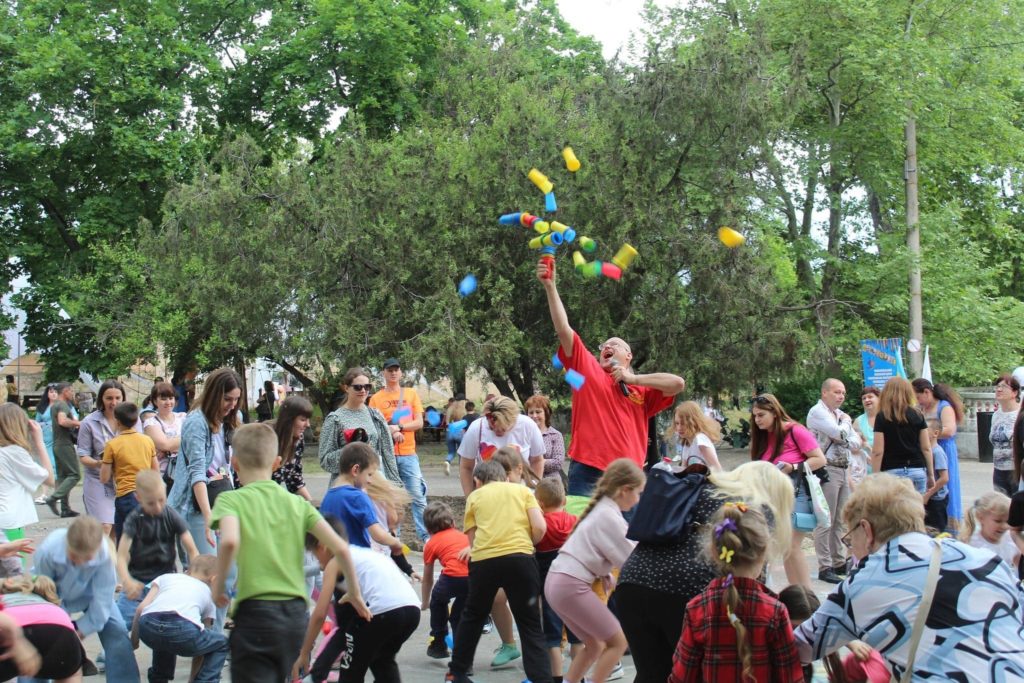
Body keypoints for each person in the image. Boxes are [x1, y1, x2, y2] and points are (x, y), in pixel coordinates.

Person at [794, 473, 1024, 679]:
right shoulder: (986, 560)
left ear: (866, 530)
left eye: (850, 537)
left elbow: (797, 649)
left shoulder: (864, 582)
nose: (851, 548)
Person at [210, 423, 369, 682]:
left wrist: (219, 589)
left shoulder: (231, 500)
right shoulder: (297, 503)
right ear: (276, 463)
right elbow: (340, 547)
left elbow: (228, 542)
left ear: (234, 463)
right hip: (295, 614)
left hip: (255, 612)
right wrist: (354, 592)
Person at [616, 461, 794, 683]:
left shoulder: (700, 488)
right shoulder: (754, 509)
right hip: (686, 592)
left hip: (632, 581)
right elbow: (750, 577)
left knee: (651, 674)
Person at [537, 257, 685, 495]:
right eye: (604, 345)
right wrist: (550, 287)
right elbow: (563, 329)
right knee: (585, 530)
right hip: (588, 471)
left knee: (626, 533)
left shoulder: (642, 389)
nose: (606, 346)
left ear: (629, 355)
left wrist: (633, 379)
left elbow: (678, 383)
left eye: (614, 344)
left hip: (628, 475)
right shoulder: (588, 369)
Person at [668, 503, 804, 683]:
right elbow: (791, 677)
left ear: (715, 552)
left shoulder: (697, 608)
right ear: (764, 552)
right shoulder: (775, 611)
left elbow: (681, 677)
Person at [446, 460, 550, 683]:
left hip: (485, 562)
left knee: (473, 616)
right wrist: (526, 544)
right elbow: (540, 527)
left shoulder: (475, 496)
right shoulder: (523, 491)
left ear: (477, 481)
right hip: (521, 559)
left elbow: (472, 539)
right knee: (529, 622)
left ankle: (457, 673)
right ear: (505, 477)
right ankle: (541, 678)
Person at [545, 460, 643, 683]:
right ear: (624, 490)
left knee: (595, 645)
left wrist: (604, 573)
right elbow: (632, 560)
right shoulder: (609, 516)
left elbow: (589, 548)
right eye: (638, 493)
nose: (638, 500)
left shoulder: (603, 509)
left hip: (557, 582)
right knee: (618, 642)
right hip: (569, 584)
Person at [293, 516, 417, 683]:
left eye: (315, 555)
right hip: (411, 610)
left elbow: (320, 614)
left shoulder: (335, 561)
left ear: (322, 547)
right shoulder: (366, 555)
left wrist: (303, 653)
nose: (318, 562)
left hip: (383, 612)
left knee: (351, 671)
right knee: (382, 661)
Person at [33, 516, 141, 682]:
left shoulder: (104, 553)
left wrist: (81, 629)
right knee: (40, 639)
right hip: (53, 595)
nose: (81, 562)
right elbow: (44, 593)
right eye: (74, 556)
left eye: (87, 558)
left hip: (91, 594)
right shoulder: (48, 550)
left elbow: (102, 602)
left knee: (117, 630)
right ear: (67, 543)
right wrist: (59, 627)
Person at [749, 393, 826, 587]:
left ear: (774, 412)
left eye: (761, 415)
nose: (757, 420)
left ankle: (806, 596)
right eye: (755, 416)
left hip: (796, 493)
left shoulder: (795, 431)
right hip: (772, 496)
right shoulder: (764, 437)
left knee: (791, 545)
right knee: (785, 548)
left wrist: (792, 466)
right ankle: (797, 594)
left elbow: (819, 459)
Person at [167, 368, 241, 563]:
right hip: (195, 508)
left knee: (230, 572)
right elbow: (197, 473)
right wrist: (209, 518)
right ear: (213, 394)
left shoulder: (232, 419)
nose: (232, 405)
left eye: (235, 400)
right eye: (227, 399)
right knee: (204, 571)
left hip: (223, 500)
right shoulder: (196, 422)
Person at [115, 470, 199, 627]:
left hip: (165, 584)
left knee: (165, 633)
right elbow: (121, 556)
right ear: (138, 498)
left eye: (161, 500)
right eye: (151, 503)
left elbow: (192, 549)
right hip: (138, 583)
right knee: (118, 627)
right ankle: (111, 652)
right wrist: (127, 581)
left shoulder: (171, 515)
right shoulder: (134, 519)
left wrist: (193, 573)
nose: (158, 507)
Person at [129, 553, 227, 683]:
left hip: (148, 626)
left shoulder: (166, 577)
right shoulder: (208, 594)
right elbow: (202, 647)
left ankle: (159, 678)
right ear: (214, 580)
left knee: (163, 636)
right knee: (221, 643)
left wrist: (134, 641)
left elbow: (141, 608)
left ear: (188, 570)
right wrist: (192, 679)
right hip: (183, 631)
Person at [806, 379, 862, 584]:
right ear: (824, 393)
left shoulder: (839, 415)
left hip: (842, 468)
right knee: (825, 518)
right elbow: (839, 433)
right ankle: (824, 565)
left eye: (844, 393)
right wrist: (845, 426)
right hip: (826, 468)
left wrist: (844, 434)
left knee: (839, 519)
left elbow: (856, 442)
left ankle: (838, 561)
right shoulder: (818, 412)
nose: (841, 396)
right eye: (837, 392)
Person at [369, 358, 429, 542]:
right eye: (389, 370)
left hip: (408, 453)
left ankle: (425, 536)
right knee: (390, 497)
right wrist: (391, 431)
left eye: (396, 369)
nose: (393, 373)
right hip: (387, 456)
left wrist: (400, 428)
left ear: (401, 373)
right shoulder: (376, 398)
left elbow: (419, 422)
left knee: (417, 496)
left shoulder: (410, 394)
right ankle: (395, 534)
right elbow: (374, 427)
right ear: (384, 373)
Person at [778, 586, 887, 683]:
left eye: (809, 631)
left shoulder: (810, 646)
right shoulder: (771, 656)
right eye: (795, 629)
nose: (803, 637)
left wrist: (848, 642)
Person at [319, 367, 401, 487]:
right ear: (346, 388)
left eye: (367, 387)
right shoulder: (335, 419)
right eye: (358, 387)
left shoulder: (376, 415)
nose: (363, 390)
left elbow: (387, 453)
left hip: (374, 483)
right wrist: (354, 452)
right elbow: (325, 461)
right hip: (348, 485)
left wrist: (394, 484)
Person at [319, 442, 405, 556]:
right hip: (357, 563)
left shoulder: (328, 497)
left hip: (335, 561)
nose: (370, 481)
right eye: (369, 474)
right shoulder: (358, 497)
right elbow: (377, 534)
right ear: (355, 470)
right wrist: (396, 543)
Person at [534, 477, 581, 682]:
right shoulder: (574, 521)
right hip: (574, 585)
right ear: (564, 501)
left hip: (550, 588)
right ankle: (578, 678)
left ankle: (557, 678)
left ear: (540, 504)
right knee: (577, 636)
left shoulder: (540, 525)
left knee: (552, 638)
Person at [0, 574, 83, 682]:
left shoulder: (3, 599)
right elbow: (74, 640)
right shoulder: (52, 607)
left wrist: (18, 642)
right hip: (60, 632)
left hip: (11, 634)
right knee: (72, 673)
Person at [458, 396, 545, 496]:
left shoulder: (527, 425)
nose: (497, 432)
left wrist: (535, 492)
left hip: (520, 495)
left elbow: (537, 460)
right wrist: (470, 499)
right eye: (491, 428)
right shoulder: (476, 428)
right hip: (488, 495)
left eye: (503, 429)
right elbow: (466, 467)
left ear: (514, 419)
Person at [99, 402, 158, 542]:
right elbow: (155, 471)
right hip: (145, 495)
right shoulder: (147, 440)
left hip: (125, 495)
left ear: (117, 421)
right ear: (137, 420)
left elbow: (104, 477)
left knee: (125, 541)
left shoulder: (112, 444)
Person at [77, 379, 128, 537]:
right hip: (98, 479)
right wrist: (101, 463)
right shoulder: (89, 422)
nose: (114, 402)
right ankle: (98, 559)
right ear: (101, 399)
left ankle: (112, 561)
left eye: (117, 398)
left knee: (118, 531)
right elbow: (83, 456)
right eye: (109, 398)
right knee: (104, 527)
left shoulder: (132, 420)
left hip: (124, 480)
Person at [421, 501, 470, 659]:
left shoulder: (431, 543)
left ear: (428, 529)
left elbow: (427, 578)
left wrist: (425, 601)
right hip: (473, 578)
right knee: (458, 616)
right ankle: (463, 659)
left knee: (438, 599)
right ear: (454, 523)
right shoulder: (464, 536)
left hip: (452, 577)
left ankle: (439, 641)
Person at [912, 378, 964, 526]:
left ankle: (950, 523)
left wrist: (927, 434)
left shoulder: (944, 407)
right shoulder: (920, 409)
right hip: (926, 448)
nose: (918, 401)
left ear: (927, 392)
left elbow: (949, 430)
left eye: (918, 397)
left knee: (946, 483)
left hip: (942, 447)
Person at [0, 403, 55, 543]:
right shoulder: (14, 452)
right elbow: (49, 480)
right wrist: (39, 442)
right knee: (14, 564)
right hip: (9, 521)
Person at [872, 377, 934, 495]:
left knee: (893, 511)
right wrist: (930, 474)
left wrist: (875, 477)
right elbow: (926, 448)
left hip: (891, 471)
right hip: (917, 469)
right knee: (915, 511)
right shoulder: (918, 415)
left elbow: (878, 451)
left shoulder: (882, 416)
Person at [44, 382, 83, 518]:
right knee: (75, 475)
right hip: (64, 444)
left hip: (57, 444)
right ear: (65, 391)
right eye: (71, 391)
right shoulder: (62, 405)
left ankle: (65, 509)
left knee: (63, 477)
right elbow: (62, 421)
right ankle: (53, 498)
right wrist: (79, 423)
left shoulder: (55, 405)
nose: (72, 393)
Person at [142, 381, 186, 488]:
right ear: (155, 401)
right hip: (162, 476)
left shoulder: (183, 417)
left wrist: (169, 447)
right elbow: (165, 444)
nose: (168, 402)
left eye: (171, 398)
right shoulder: (151, 423)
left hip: (185, 474)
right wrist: (185, 441)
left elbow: (196, 441)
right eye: (163, 399)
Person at [960, 491, 1019, 569]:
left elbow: (1019, 565)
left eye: (1008, 521)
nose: (1004, 526)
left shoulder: (1009, 539)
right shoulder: (972, 543)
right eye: (998, 521)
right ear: (980, 517)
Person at [271, 395, 314, 501]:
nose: (308, 425)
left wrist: (313, 506)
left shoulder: (298, 439)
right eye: (303, 419)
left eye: (308, 420)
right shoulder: (266, 436)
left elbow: (294, 479)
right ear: (288, 420)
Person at [666, 400, 723, 471]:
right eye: (677, 423)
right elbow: (684, 469)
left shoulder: (700, 440)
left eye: (683, 423)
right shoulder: (686, 443)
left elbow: (718, 470)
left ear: (693, 422)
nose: (679, 428)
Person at [990, 373, 1020, 494]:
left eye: (1004, 386)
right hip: (998, 470)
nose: (999, 389)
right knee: (1001, 509)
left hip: (1016, 471)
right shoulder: (996, 415)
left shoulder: (1019, 415)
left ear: (1015, 393)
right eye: (997, 386)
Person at [525, 394, 566, 481]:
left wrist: (536, 463)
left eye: (538, 412)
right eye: (531, 412)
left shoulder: (555, 435)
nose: (534, 416)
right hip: (528, 482)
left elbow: (558, 463)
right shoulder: (523, 435)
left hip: (551, 484)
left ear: (546, 413)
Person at [33, 384, 58, 504]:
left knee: (56, 465)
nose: (53, 394)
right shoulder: (42, 407)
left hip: (59, 439)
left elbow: (73, 416)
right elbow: (36, 422)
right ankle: (44, 493)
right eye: (51, 392)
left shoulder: (63, 406)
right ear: (47, 393)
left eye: (55, 392)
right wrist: (44, 425)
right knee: (46, 465)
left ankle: (57, 493)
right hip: (46, 438)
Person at [851, 386, 880, 487]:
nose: (867, 400)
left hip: (886, 468)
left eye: (870, 397)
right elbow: (853, 446)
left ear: (879, 398)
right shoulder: (858, 421)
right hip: (866, 471)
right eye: (864, 398)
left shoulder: (887, 417)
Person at [922, 429, 950, 532]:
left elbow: (944, 478)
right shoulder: (925, 450)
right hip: (929, 497)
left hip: (937, 499)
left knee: (937, 530)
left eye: (926, 430)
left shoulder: (937, 452)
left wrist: (928, 494)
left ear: (935, 433)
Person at [445, 395, 468, 476]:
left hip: (450, 431)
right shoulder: (464, 409)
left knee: (451, 452)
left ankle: (447, 461)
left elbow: (447, 422)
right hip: (460, 431)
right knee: (461, 453)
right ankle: (460, 472)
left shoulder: (450, 408)